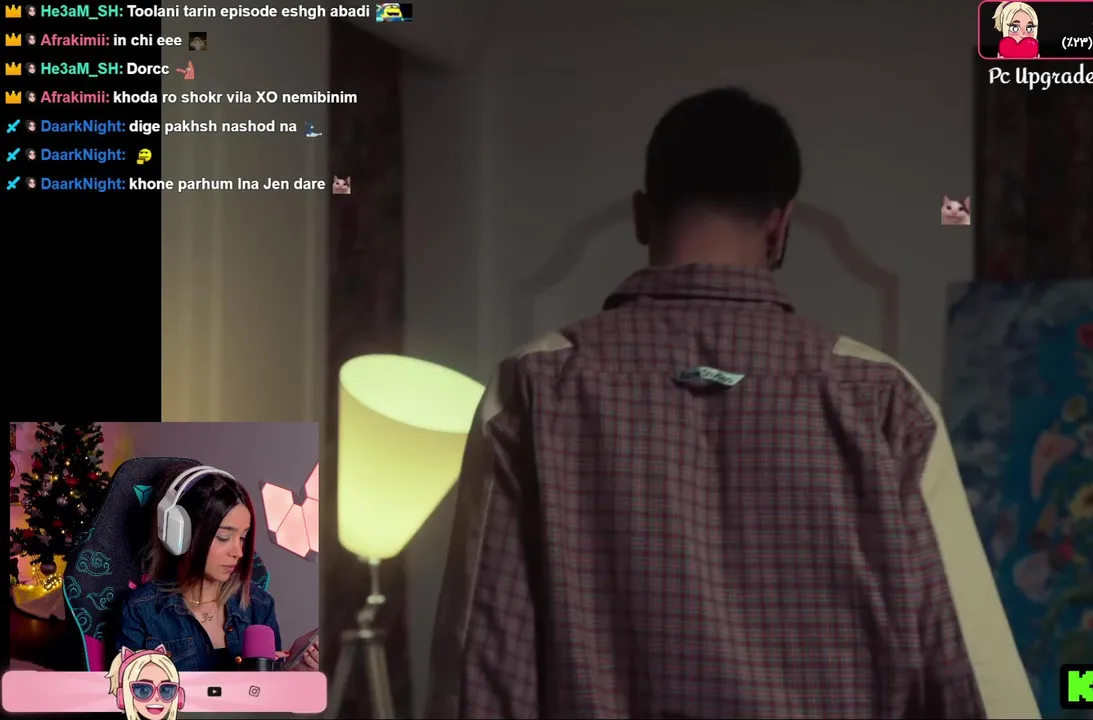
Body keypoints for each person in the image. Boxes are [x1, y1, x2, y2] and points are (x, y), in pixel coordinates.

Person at [427, 87, 1040, 718]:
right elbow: (979, 687)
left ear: (642, 215)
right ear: (780, 225)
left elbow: (482, 673)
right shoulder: (886, 403)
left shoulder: (532, 389)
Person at [117, 463, 320, 673]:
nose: (238, 552)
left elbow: (267, 691)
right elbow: (132, 690)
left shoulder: (259, 606)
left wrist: (293, 670)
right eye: (224, 537)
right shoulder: (141, 610)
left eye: (242, 538)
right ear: (180, 534)